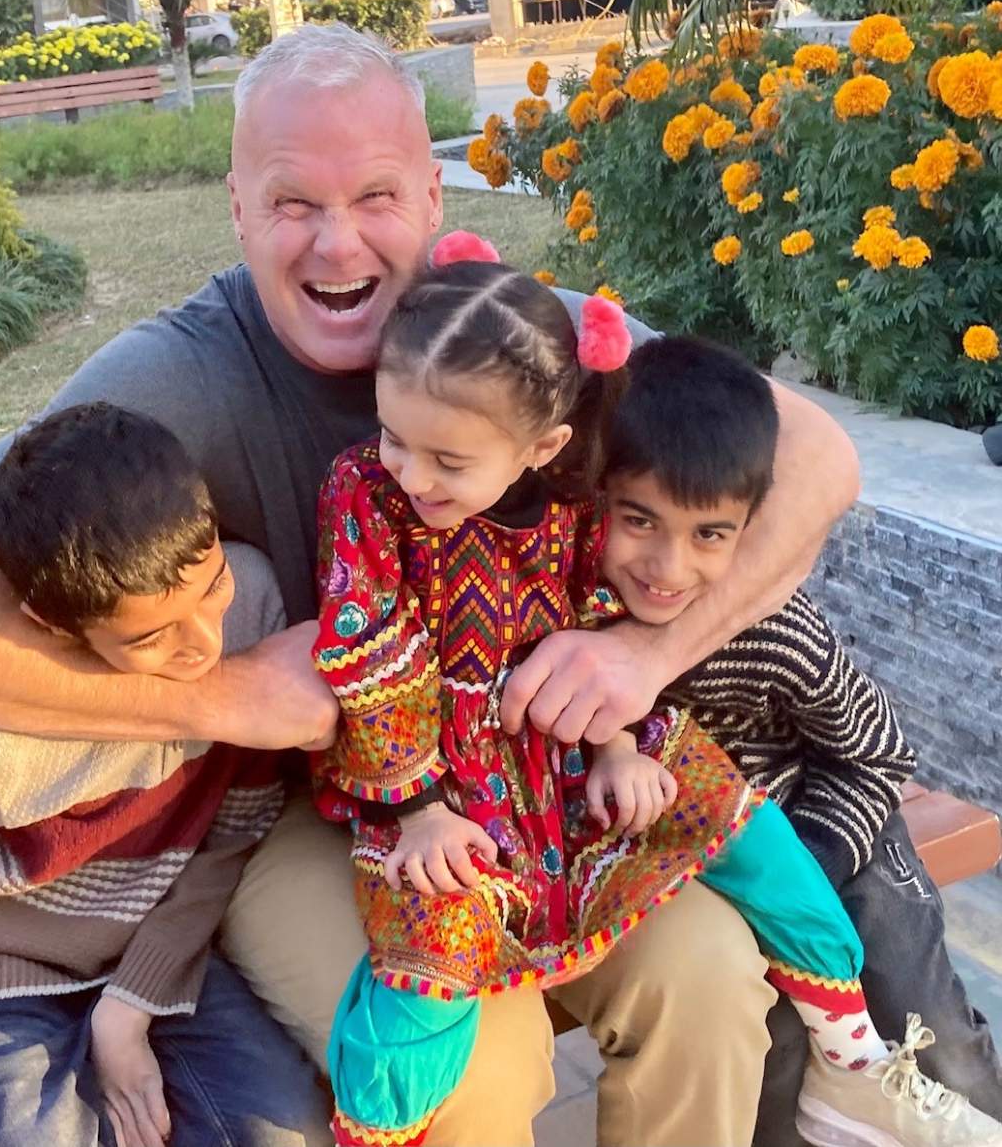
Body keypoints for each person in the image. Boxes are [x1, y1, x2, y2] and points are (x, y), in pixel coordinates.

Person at [0, 23, 862, 1146]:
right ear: (235, 209)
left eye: (375, 193)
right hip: (307, 817)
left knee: (711, 975)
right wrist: (217, 697)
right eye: (292, 203)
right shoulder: (183, 374)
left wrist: (643, 655)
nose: (338, 245)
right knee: (478, 1047)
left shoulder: (504, 335)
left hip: (537, 784)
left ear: (432, 192)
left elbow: (818, 457)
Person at [311, 253, 1000, 1147]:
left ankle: (856, 1059)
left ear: (543, 449)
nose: (411, 471)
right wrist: (416, 805)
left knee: (905, 1009)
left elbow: (607, 633)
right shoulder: (373, 496)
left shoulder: (604, 532)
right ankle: (376, 1130)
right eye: (394, 437)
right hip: (458, 790)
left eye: (445, 456)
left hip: (822, 823)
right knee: (430, 961)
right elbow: (373, 655)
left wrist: (619, 747)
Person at [0, 404, 329, 1147]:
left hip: (154, 957)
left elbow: (234, 829)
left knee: (281, 1130)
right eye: (151, 636)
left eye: (212, 586)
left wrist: (129, 1007)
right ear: (55, 627)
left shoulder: (249, 616)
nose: (203, 646)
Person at [602, 335, 1002, 1143]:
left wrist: (807, 869)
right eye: (637, 519)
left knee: (935, 1042)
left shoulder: (771, 632)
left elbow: (875, 754)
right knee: (769, 1063)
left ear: (748, 528)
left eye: (710, 534)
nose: (667, 566)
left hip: (833, 838)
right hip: (703, 870)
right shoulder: (574, 623)